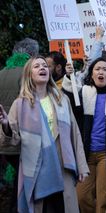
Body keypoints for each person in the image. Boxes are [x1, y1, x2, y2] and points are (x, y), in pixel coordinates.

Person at [0, 56, 89, 212]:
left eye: (44, 65)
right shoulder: (20, 104)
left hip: (63, 167)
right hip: (36, 168)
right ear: (29, 75)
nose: (42, 68)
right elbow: (12, 140)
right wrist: (6, 125)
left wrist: (81, 165)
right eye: (36, 66)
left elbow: (75, 133)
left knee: (63, 207)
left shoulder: (62, 99)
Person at [63, 57, 106, 213]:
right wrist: (68, 75)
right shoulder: (83, 93)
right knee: (81, 197)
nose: (101, 72)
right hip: (85, 155)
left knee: (103, 199)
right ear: (91, 74)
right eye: (97, 69)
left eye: (105, 69)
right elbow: (67, 100)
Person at [0, 37, 39, 213]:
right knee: (20, 182)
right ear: (32, 55)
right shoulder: (28, 74)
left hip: (3, 135)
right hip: (19, 137)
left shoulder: (2, 73)